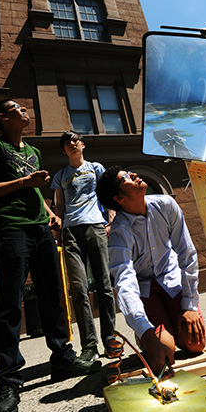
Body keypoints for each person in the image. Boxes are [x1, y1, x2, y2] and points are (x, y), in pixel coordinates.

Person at [0, 100, 101, 412]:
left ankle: (62, 357)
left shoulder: (32, 151)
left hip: (40, 229)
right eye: (15, 108)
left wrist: (50, 213)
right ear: (3, 118)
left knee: (53, 296)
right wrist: (24, 182)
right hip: (11, 229)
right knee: (9, 303)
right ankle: (8, 380)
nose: (23, 110)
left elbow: (35, 192)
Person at [96, 166, 206, 377]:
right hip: (147, 291)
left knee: (194, 344)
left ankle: (174, 321)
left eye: (129, 172)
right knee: (167, 347)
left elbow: (187, 253)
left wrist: (190, 304)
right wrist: (144, 331)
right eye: (126, 178)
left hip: (173, 281)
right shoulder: (119, 232)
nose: (134, 175)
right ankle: (154, 331)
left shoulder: (166, 205)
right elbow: (124, 282)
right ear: (119, 198)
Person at [51, 130, 117, 364]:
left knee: (104, 284)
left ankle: (110, 338)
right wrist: (58, 231)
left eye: (76, 140)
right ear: (64, 150)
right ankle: (89, 345)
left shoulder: (96, 168)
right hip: (71, 231)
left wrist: (110, 219)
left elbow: (107, 194)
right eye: (67, 143)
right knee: (78, 289)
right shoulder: (60, 175)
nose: (72, 144)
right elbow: (59, 205)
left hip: (95, 226)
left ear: (83, 145)